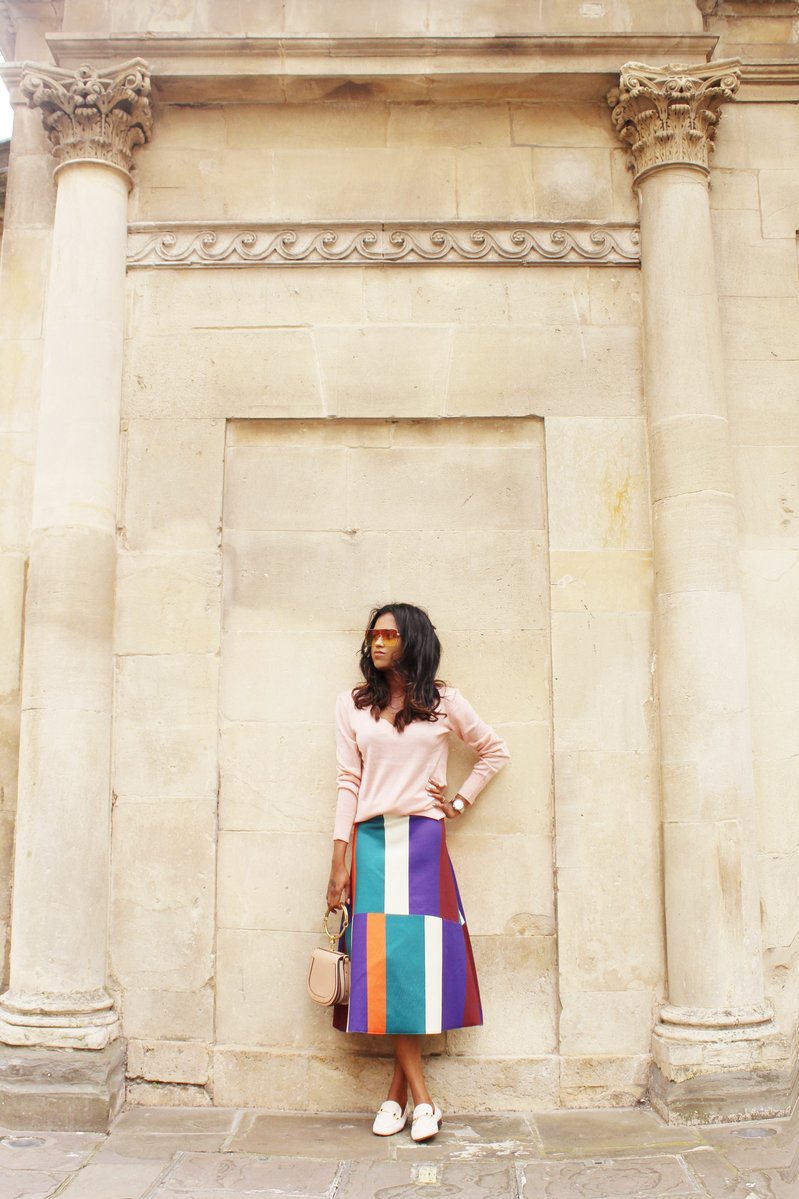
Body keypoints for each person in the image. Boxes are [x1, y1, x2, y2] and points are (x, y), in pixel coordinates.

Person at [326, 603, 510, 1142]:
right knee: (385, 969)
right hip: (373, 844)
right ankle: (422, 1100)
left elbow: (493, 751)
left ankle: (397, 1097)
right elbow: (347, 782)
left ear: (412, 641)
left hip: (425, 844)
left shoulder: (443, 702)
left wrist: (457, 802)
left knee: (416, 969)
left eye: (389, 634)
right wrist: (339, 862)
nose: (378, 642)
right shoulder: (352, 705)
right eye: (373, 633)